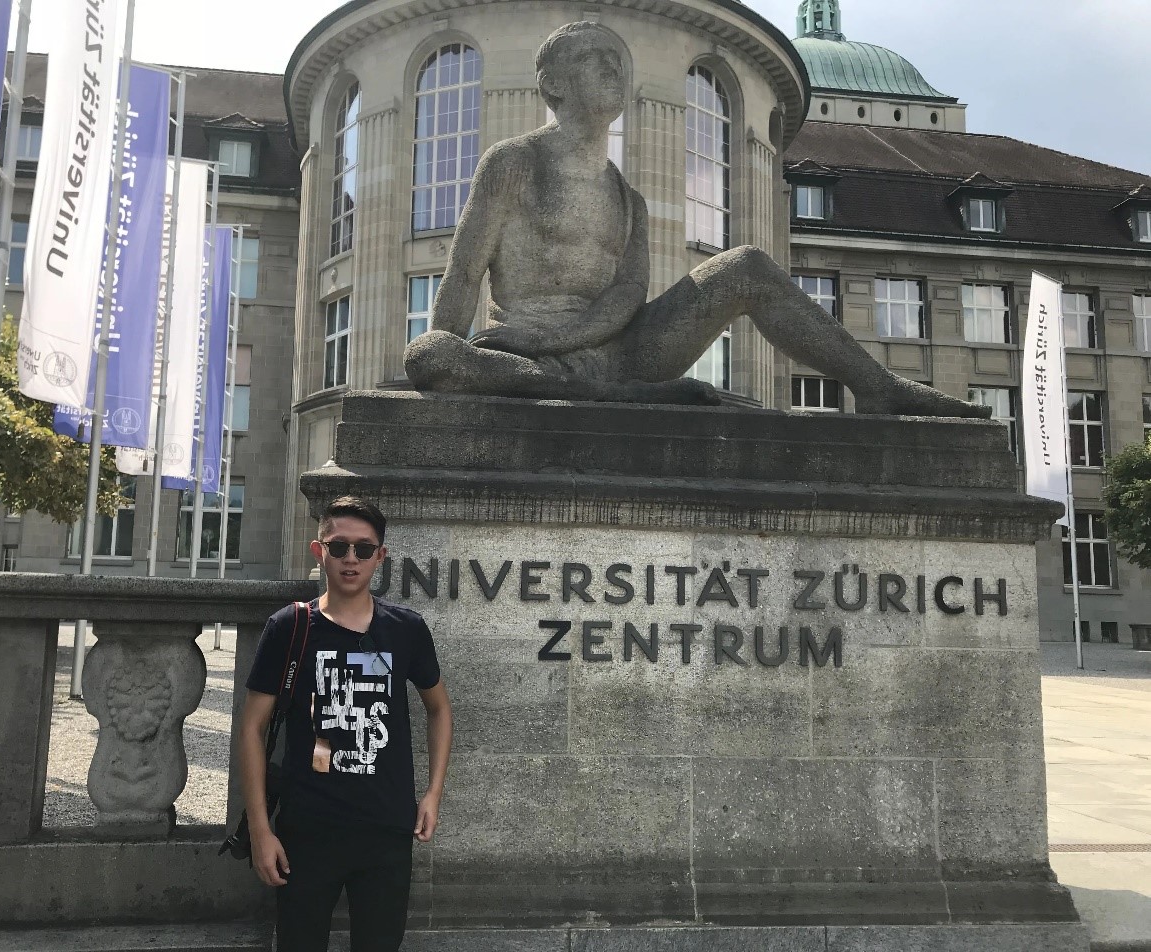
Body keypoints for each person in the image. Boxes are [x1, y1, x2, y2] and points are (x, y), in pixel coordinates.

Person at [405, 21, 987, 418]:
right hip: (520, 360)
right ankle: (603, 395)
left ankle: (879, 387)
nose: (611, 68)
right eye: (590, 58)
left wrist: (555, 339)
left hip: (618, 353)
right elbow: (462, 277)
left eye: (616, 60)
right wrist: (442, 369)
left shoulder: (628, 199)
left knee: (748, 267)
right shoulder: (513, 163)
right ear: (552, 83)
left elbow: (626, 300)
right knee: (428, 354)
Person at [238, 495, 453, 952]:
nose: (350, 558)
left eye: (363, 548)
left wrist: (433, 793)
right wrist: (260, 829)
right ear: (320, 552)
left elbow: (439, 708)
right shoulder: (289, 627)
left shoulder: (406, 629)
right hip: (307, 831)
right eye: (339, 547)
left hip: (386, 830)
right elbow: (252, 729)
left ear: (380, 556)